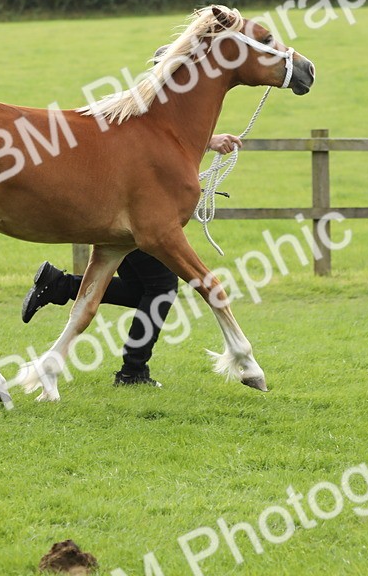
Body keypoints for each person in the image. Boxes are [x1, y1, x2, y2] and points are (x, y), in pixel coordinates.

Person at [20, 132, 243, 387]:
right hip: (132, 208)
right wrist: (207, 140)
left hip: (119, 203)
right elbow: (150, 130)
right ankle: (133, 372)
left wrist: (206, 140)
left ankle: (60, 285)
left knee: (143, 290)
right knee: (161, 288)